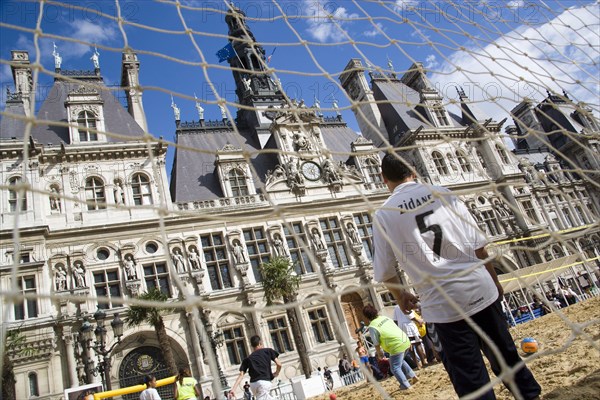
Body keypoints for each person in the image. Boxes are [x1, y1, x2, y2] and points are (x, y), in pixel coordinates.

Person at [372, 154, 541, 400]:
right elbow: (479, 246)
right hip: (479, 289)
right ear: (414, 171)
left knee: (471, 379)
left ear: (383, 179)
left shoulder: (384, 214)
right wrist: (494, 282)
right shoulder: (443, 192)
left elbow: (386, 271)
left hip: (443, 307)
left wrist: (400, 295)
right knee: (506, 356)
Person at [362, 304, 416, 390]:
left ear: (366, 316)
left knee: (394, 368)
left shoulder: (372, 326)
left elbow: (376, 343)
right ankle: (413, 376)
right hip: (404, 340)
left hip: (395, 345)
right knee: (400, 361)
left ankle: (405, 385)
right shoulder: (384, 318)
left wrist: (379, 354)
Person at [230, 335, 281, 400]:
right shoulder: (268, 351)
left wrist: (233, 389)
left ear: (252, 346)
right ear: (260, 343)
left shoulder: (248, 358)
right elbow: (279, 364)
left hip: (253, 384)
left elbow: (241, 375)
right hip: (263, 383)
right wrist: (276, 373)